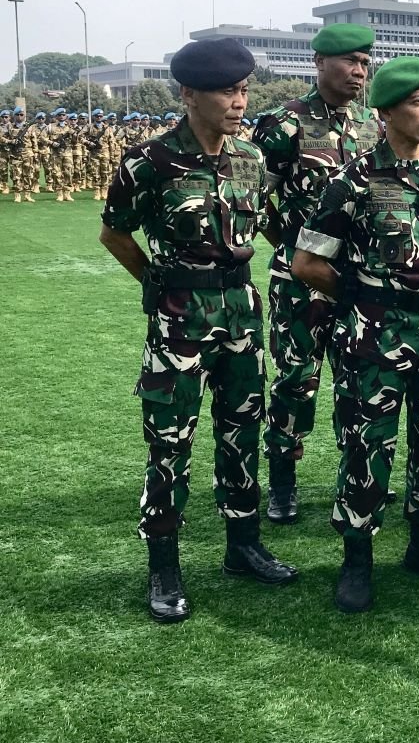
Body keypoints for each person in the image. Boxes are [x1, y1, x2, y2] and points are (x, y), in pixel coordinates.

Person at [99, 37, 298, 625]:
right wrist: (156, 282)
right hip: (179, 320)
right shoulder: (149, 162)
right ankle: (164, 563)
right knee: (170, 441)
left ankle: (243, 545)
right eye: (226, 91)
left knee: (242, 431)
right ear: (188, 94)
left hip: (240, 309)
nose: (239, 102)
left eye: (243, 90)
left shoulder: (251, 160)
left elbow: (261, 228)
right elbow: (115, 233)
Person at [291, 56, 419, 613]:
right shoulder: (352, 182)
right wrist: (362, 296)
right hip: (376, 332)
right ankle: (357, 560)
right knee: (366, 443)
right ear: (386, 113)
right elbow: (307, 262)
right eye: (417, 103)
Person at [253, 22, 381, 524]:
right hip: (302, 281)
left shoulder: (374, 123)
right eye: (349, 61)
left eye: (365, 63)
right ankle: (283, 480)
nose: (359, 71)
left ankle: (359, 478)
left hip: (360, 281)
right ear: (320, 63)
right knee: (295, 381)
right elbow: (255, 201)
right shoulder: (284, 124)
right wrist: (293, 249)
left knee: (361, 383)